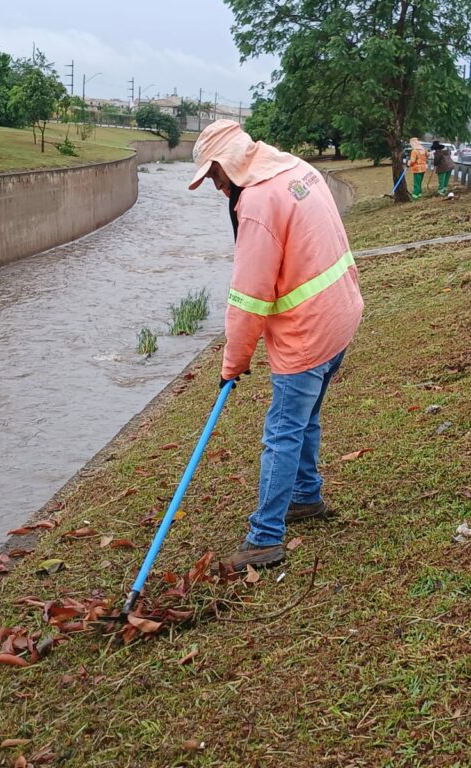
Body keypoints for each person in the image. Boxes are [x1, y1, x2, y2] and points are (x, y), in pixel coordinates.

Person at [188, 120, 364, 573]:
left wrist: (233, 363)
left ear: (227, 165)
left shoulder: (258, 203)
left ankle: (265, 538)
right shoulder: (297, 169)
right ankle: (304, 495)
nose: (216, 186)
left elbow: (247, 298)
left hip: (308, 333)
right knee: (305, 417)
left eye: (213, 176)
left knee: (283, 430)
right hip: (340, 315)